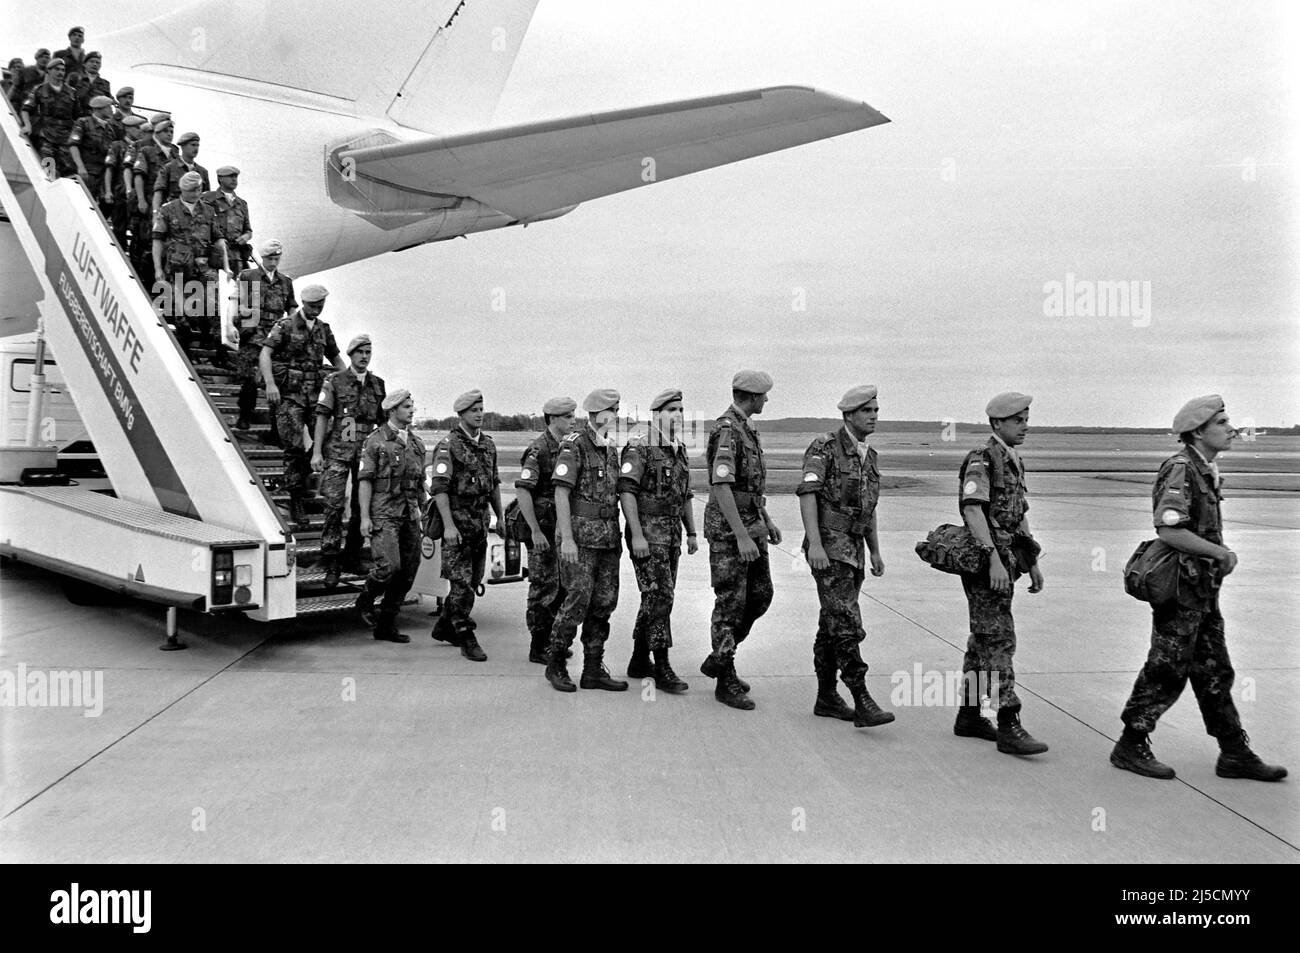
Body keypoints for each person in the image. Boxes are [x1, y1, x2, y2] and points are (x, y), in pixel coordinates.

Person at [1110, 396, 1287, 782]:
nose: (1231, 428)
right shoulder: (1181, 469)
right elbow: (1169, 529)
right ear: (1198, 432)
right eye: (1221, 423)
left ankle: (1234, 752)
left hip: (1201, 591)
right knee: (1166, 669)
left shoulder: (1204, 468)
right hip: (1180, 591)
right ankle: (1130, 743)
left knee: (1213, 671)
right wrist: (1219, 552)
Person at [954, 392, 1048, 755]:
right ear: (997, 423)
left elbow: (1018, 515)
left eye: (1026, 420)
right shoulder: (983, 458)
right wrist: (992, 559)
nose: (1025, 427)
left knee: (983, 640)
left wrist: (1031, 560)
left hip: (1007, 559)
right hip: (986, 563)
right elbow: (972, 510)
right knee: (999, 639)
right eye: (1018, 421)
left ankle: (969, 715)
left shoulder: (1012, 459)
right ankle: (1009, 720)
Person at [797, 385, 894, 728]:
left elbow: (868, 507)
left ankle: (826, 697)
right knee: (847, 622)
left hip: (854, 549)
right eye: (867, 411)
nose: (874, 416)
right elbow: (807, 494)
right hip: (830, 547)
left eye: (876, 410)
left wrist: (875, 549)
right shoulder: (825, 447)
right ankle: (861, 696)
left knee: (831, 624)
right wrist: (815, 544)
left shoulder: (869, 456)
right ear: (849, 415)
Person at [699, 370, 779, 711]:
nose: (767, 399)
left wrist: (766, 520)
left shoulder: (747, 428)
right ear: (752, 396)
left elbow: (750, 487)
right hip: (730, 531)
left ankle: (719, 657)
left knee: (761, 595)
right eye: (764, 395)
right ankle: (725, 678)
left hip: (752, 525)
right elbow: (721, 486)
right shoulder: (728, 430)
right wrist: (742, 535)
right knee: (730, 603)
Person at [545, 388, 628, 693]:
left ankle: (593, 668)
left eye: (617, 410)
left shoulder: (610, 447)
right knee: (576, 601)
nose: (616, 415)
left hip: (607, 538)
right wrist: (566, 538)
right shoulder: (575, 444)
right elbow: (561, 493)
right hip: (580, 539)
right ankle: (555, 663)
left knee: (604, 603)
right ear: (597, 413)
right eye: (612, 410)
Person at [618, 387, 697, 694]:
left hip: (671, 535)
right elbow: (627, 491)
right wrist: (637, 534)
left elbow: (685, 495)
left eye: (681, 410)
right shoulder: (641, 446)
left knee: (655, 598)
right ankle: (662, 665)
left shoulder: (679, 448)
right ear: (656, 414)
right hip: (648, 536)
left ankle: (639, 660)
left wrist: (691, 532)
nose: (678, 415)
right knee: (661, 597)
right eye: (672, 410)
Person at [260, 284, 345, 528]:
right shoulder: (285, 325)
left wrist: (349, 380)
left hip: (315, 396)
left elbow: (336, 358)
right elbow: (265, 354)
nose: (317, 309)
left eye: (321, 305)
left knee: (328, 439)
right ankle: (295, 498)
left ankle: (299, 476)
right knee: (294, 448)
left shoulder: (323, 329)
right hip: (290, 396)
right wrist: (270, 383)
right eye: (313, 305)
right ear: (303, 303)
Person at [427, 390, 503, 662]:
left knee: (472, 581)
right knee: (461, 585)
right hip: (457, 526)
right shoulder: (448, 446)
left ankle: (444, 626)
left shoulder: (488, 445)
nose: (479, 414)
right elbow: (439, 489)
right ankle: (465, 634)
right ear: (461, 414)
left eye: (481, 409)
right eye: (474, 410)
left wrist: (500, 517)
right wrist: (449, 526)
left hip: (479, 525)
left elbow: (494, 484)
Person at [312, 334, 386, 587]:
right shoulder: (335, 381)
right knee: (333, 505)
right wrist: (316, 452)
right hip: (338, 452)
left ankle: (352, 556)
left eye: (368, 352)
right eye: (360, 352)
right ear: (350, 354)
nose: (364, 357)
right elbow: (322, 416)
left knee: (360, 506)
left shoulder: (377, 385)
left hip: (365, 454)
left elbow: (383, 423)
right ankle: (331, 559)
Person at [355, 390, 428, 643]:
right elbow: (365, 481)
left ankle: (386, 624)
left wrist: (423, 511)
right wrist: (365, 517)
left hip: (409, 514)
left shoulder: (416, 444)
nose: (412, 410)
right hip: (384, 513)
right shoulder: (375, 441)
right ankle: (365, 600)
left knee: (408, 571)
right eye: (406, 406)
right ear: (393, 410)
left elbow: (420, 483)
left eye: (412, 405)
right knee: (389, 567)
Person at [515, 396, 576, 664]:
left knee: (560, 586)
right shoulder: (538, 450)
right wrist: (535, 531)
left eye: (573, 416)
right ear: (552, 419)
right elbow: (523, 491)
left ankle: (551, 640)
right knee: (543, 587)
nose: (573, 421)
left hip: (559, 530)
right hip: (542, 530)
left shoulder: (568, 447)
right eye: (568, 417)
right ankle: (538, 644)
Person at [152, 170, 227, 361]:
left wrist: (226, 267)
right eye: (192, 190)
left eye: (199, 189)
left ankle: (218, 354)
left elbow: (219, 239)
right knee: (181, 316)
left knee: (215, 310)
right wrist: (158, 269)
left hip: (203, 269)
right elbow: (157, 240)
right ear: (182, 190)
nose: (196, 193)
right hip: (177, 269)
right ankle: (185, 356)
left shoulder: (208, 210)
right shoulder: (168, 210)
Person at [233, 239, 296, 431]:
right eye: (270, 258)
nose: (273, 262)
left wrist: (291, 328)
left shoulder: (285, 282)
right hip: (253, 333)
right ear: (262, 257)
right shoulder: (248, 276)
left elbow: (291, 307)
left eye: (277, 259)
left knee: (276, 380)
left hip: (275, 335)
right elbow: (238, 302)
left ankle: (276, 428)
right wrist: (239, 318)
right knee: (250, 378)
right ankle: (245, 416)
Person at [131, 117, 178, 287]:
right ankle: (140, 278)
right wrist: (141, 200)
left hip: (168, 208)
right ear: (157, 133)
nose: (170, 134)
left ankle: (156, 282)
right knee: (145, 242)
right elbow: (139, 176)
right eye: (166, 131)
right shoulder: (147, 151)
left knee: (163, 245)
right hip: (150, 203)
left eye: (171, 131)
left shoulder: (175, 153)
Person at [21, 58, 79, 177]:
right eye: (57, 69)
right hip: (47, 135)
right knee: (48, 169)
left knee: (69, 171)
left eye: (62, 70)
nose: (60, 72)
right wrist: (27, 125)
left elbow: (78, 116)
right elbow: (25, 109)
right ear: (49, 71)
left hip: (66, 137)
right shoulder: (40, 90)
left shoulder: (72, 92)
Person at [67, 95, 116, 211]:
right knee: (81, 204)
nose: (111, 110)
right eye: (108, 107)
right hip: (86, 171)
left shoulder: (110, 129)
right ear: (99, 109)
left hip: (101, 174)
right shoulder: (83, 122)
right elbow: (73, 145)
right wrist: (80, 167)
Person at [104, 114, 146, 247]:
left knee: (138, 231)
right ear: (127, 129)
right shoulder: (117, 145)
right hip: (121, 194)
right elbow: (109, 169)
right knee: (119, 229)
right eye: (137, 128)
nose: (140, 131)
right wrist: (108, 191)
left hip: (137, 196)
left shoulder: (142, 148)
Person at [203, 167, 252, 274]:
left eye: (236, 177)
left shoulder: (242, 204)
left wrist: (246, 236)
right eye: (230, 176)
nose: (234, 179)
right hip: (215, 257)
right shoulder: (209, 199)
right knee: (212, 284)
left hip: (236, 257)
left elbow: (248, 230)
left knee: (241, 283)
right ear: (220, 178)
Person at [153, 131, 209, 211]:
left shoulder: (202, 172)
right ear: (183, 146)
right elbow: (158, 192)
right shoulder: (169, 168)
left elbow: (206, 197)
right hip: (173, 213)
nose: (196, 148)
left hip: (196, 214)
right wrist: (155, 212)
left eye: (197, 145)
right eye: (193, 145)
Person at [74, 51, 111, 116]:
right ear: (84, 64)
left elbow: (107, 105)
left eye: (97, 62)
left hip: (97, 119)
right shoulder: (75, 78)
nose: (95, 64)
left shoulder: (105, 84)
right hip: (77, 117)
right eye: (92, 61)